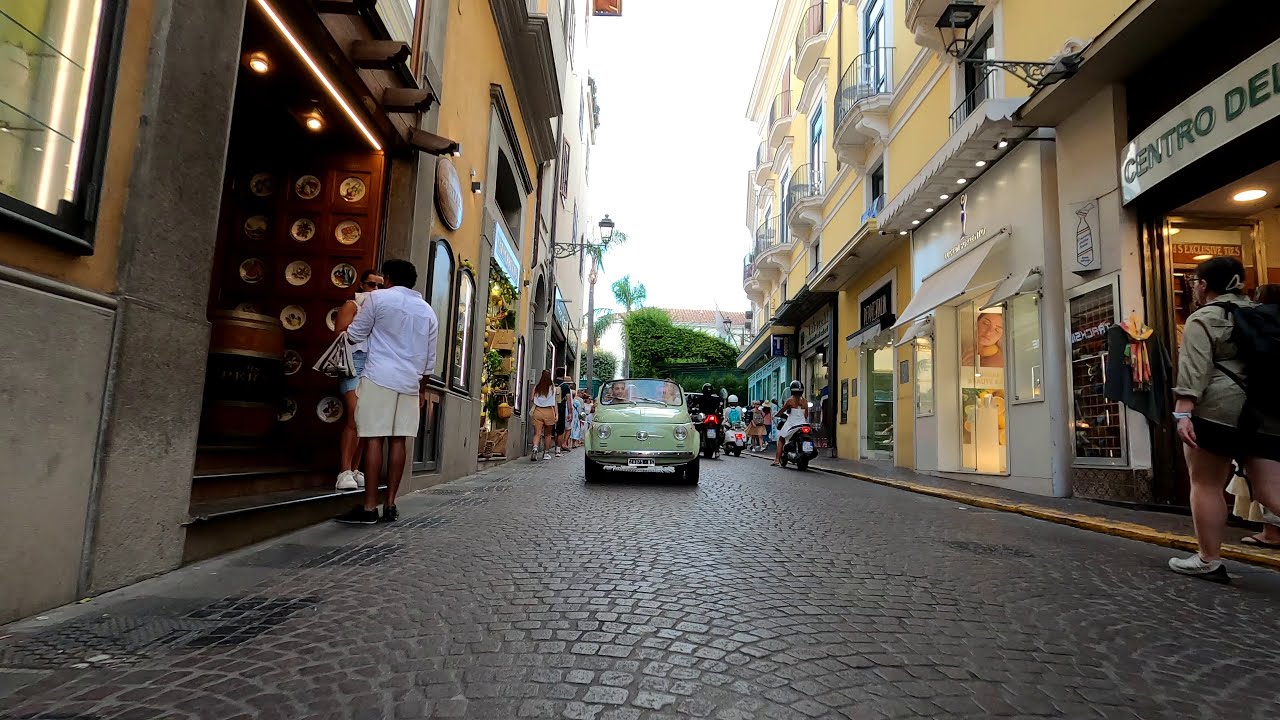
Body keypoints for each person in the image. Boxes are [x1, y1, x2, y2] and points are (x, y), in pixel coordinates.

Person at [1169, 257, 1280, 581]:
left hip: (1219, 413)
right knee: (1272, 493)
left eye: (1194, 283)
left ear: (1203, 285)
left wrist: (1182, 415)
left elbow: (1194, 372)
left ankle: (1208, 559)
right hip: (1267, 413)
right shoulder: (1264, 315)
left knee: (1206, 484)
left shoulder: (1204, 318)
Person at [337, 259, 437, 525]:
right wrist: (422, 390)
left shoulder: (377, 300)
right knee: (399, 441)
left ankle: (369, 507)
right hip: (410, 382)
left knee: (373, 439)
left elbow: (356, 334)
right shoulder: (427, 311)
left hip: (379, 375)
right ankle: (391, 504)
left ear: (389, 277)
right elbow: (429, 359)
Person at [334, 269, 383, 491]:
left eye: (380, 286)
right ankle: (344, 471)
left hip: (374, 365)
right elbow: (340, 334)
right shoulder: (352, 305)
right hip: (354, 361)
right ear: (362, 285)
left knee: (366, 421)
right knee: (354, 416)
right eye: (371, 284)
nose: (375, 290)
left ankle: (355, 469)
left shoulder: (382, 309)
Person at [774, 381, 808, 467]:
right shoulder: (805, 401)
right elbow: (806, 415)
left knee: (781, 439)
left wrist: (777, 414)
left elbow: (782, 410)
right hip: (803, 424)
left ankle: (777, 459)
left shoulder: (790, 401)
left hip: (792, 424)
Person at [530, 370, 558, 461]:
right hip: (549, 411)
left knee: (537, 433)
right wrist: (556, 414)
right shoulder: (553, 388)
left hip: (537, 411)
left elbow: (531, 399)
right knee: (548, 434)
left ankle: (534, 449)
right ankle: (546, 453)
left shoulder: (537, 387)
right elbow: (555, 403)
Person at [555, 367, 574, 456]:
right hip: (561, 409)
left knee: (549, 429)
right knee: (560, 430)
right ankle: (558, 449)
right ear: (563, 374)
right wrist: (570, 412)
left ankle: (546, 450)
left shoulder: (551, 384)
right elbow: (569, 400)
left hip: (550, 408)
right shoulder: (565, 386)